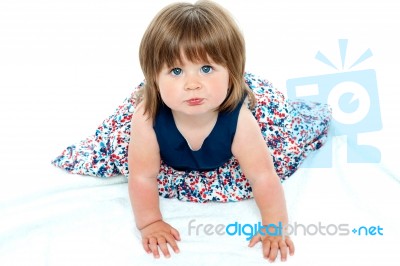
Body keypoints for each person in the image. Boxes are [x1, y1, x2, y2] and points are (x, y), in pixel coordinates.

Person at [52, 0, 331, 262]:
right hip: (162, 138)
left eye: (207, 68)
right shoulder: (147, 117)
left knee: (286, 141)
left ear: (232, 73)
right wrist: (150, 223)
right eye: (175, 71)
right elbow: (143, 175)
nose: (192, 84)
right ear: (153, 78)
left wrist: (274, 225)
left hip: (236, 133)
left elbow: (262, 176)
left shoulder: (240, 121)